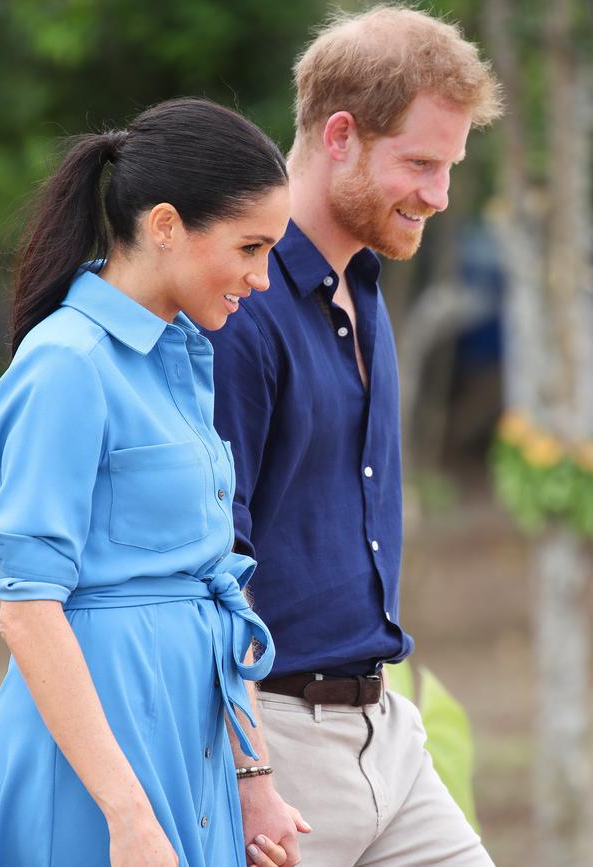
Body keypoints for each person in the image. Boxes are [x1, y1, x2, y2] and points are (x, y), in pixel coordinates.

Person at [0, 97, 307, 867]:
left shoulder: (183, 359)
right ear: (164, 226)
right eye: (249, 247)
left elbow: (218, 583)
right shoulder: (66, 365)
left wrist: (252, 779)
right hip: (95, 771)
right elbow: (27, 611)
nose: (261, 278)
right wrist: (128, 813)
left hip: (189, 757)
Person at [201, 6, 504, 867]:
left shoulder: (364, 280)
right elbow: (211, 562)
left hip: (390, 735)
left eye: (449, 167)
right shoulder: (240, 308)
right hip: (280, 744)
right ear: (340, 135)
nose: (439, 196)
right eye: (421, 163)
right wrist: (250, 769)